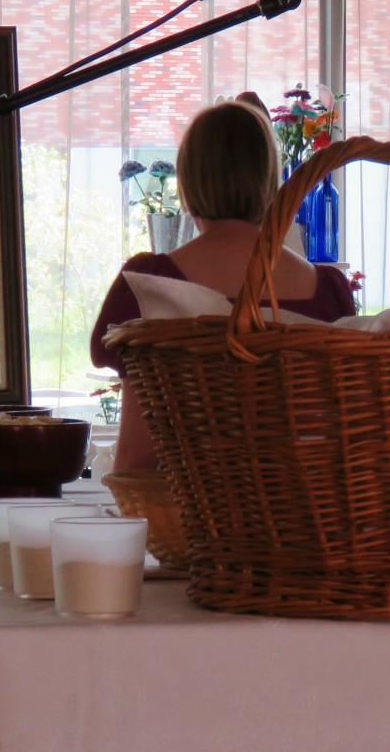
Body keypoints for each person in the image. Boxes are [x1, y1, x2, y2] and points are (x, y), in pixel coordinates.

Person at [90, 99, 357, 474]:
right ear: (270, 182)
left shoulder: (150, 282)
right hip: (307, 516)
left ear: (188, 184)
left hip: (183, 513)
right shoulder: (330, 290)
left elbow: (138, 456)